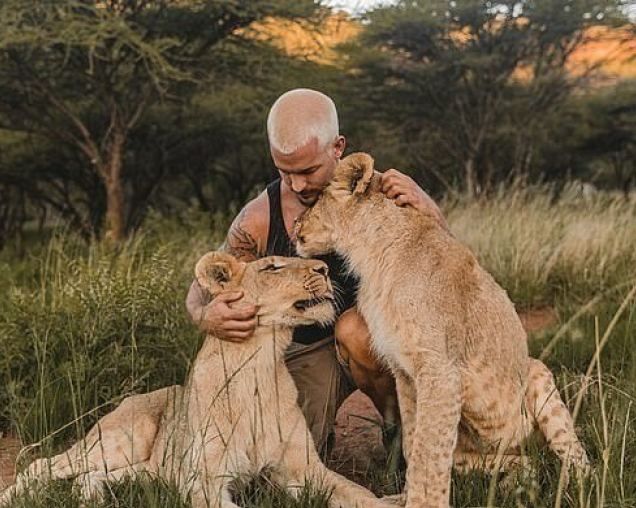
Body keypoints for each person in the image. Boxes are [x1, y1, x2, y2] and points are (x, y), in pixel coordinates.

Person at [185, 88, 446, 457]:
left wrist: (431, 212)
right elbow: (201, 288)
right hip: (306, 347)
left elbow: (448, 273)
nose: (298, 185)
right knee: (291, 460)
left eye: (309, 170)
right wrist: (204, 316)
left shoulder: (384, 194)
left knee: (355, 331)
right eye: (284, 171)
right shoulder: (258, 219)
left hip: (373, 338)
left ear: (337, 147)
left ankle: (402, 433)